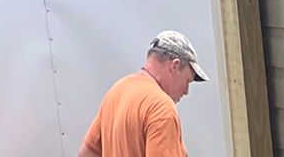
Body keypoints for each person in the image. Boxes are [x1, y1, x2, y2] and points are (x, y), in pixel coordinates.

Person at [77, 31, 209, 157]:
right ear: (175, 66)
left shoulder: (117, 91)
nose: (186, 91)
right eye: (187, 80)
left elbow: (87, 152)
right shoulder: (161, 107)